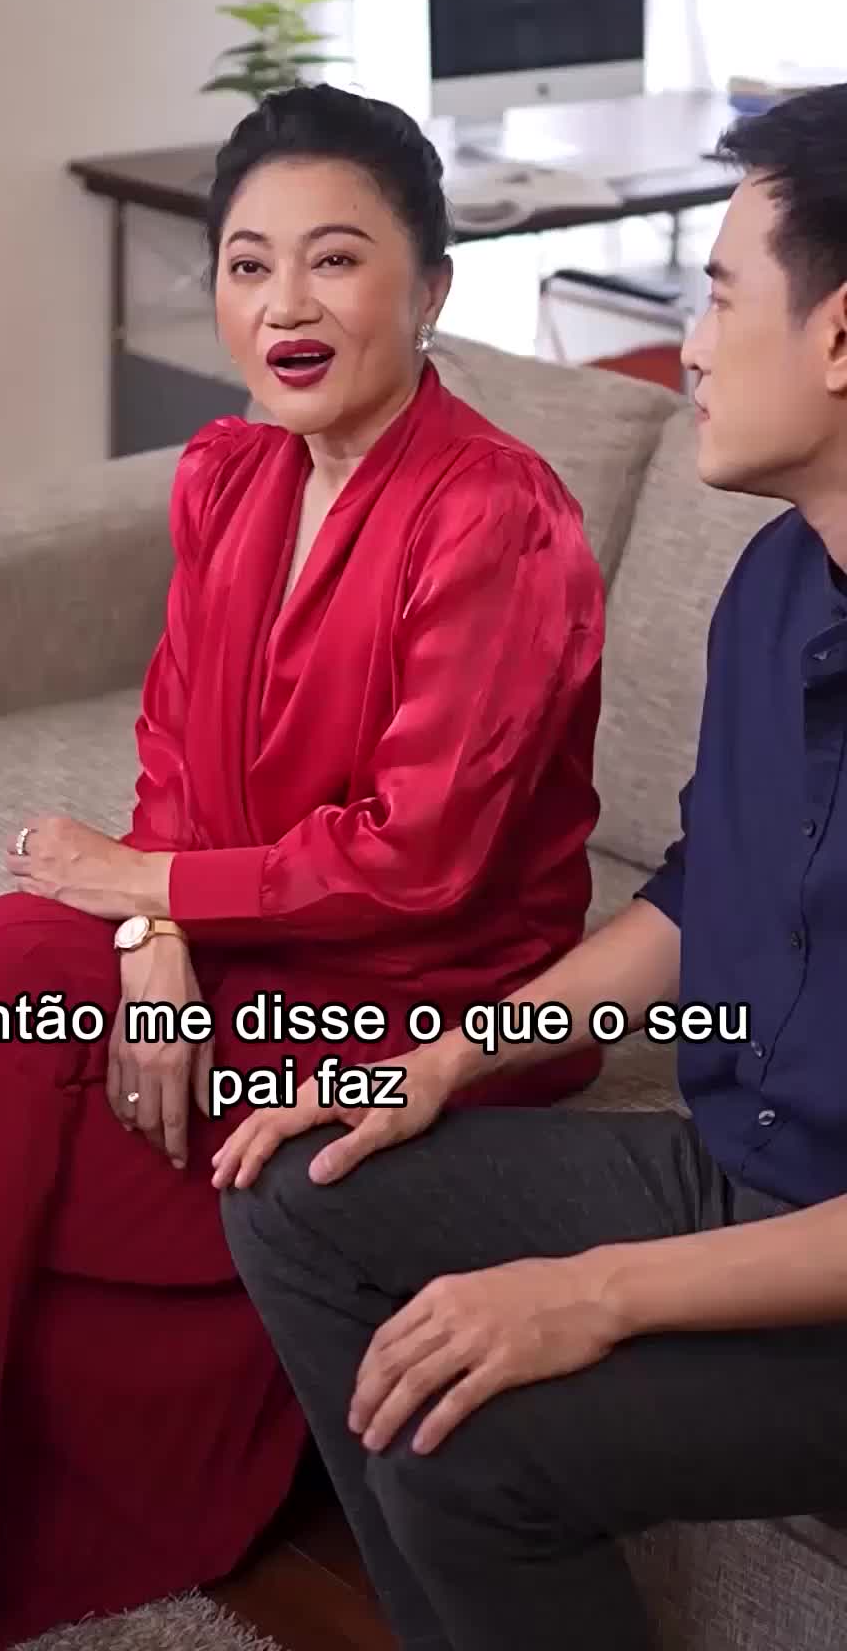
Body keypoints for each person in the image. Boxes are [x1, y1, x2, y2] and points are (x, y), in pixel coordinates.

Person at [0, 83, 607, 1650]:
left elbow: (419, 859)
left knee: (28, 1123)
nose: (285, 304)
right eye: (250, 264)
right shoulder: (228, 475)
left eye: (336, 260)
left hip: (438, 992)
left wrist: (151, 889)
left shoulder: (499, 517)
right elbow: (178, 747)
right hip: (250, 935)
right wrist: (154, 945)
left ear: (432, 287)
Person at [217, 81, 847, 1651]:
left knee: (473, 1447)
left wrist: (596, 1289)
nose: (685, 349)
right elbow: (699, 898)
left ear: (842, 339)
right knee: (302, 1189)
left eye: (719, 299)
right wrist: (444, 1061)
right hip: (746, 1165)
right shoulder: (776, 586)